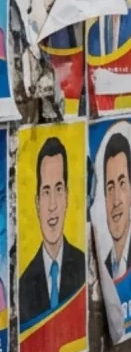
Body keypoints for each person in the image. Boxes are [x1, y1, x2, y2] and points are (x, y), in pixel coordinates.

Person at [19, 137, 86, 329]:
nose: (53, 205)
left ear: (67, 195)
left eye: (58, 189)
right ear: (37, 202)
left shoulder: (82, 266)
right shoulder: (23, 285)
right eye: (46, 192)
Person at [102, 132, 131, 279]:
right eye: (110, 188)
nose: (116, 200)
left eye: (122, 184)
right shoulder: (103, 267)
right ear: (105, 199)